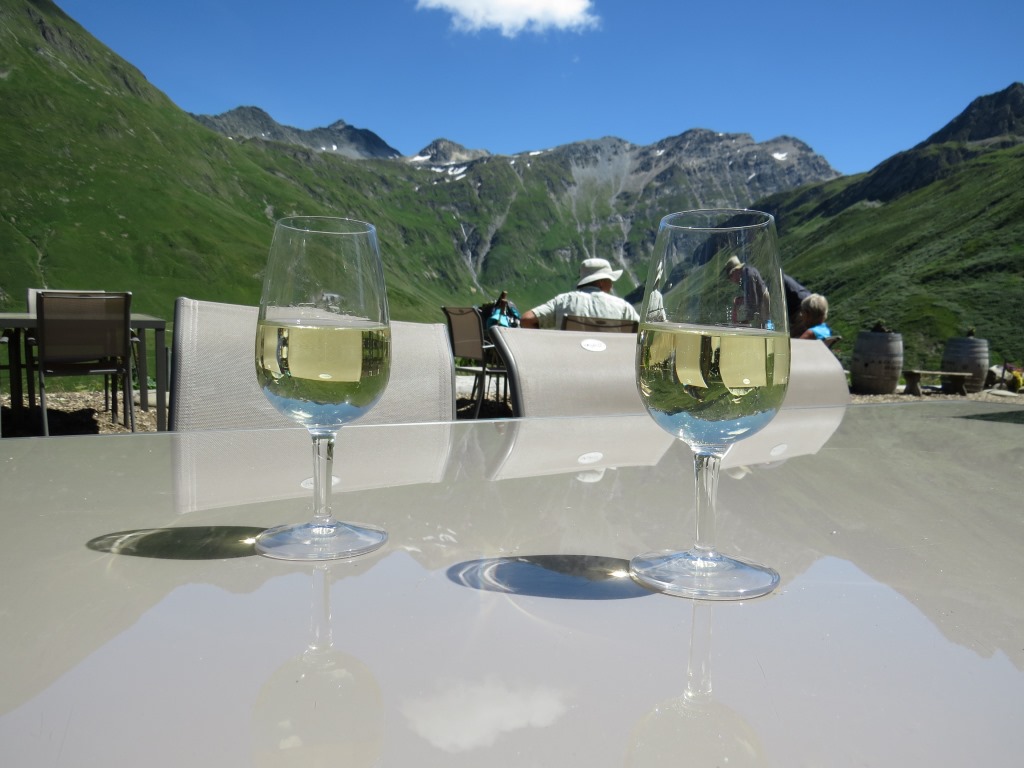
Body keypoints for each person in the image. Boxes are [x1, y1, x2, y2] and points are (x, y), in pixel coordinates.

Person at [519, 257, 640, 329]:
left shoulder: (563, 301)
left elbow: (526, 319)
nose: (612, 284)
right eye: (610, 279)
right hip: (611, 363)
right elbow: (645, 333)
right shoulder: (623, 307)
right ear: (601, 282)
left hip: (568, 363)